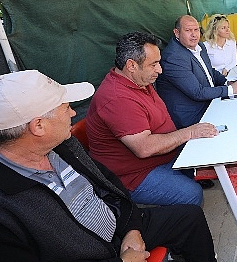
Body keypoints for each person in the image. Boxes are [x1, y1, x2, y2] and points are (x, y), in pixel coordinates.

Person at [0, 70, 237, 262]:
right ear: (38, 126)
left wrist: (132, 228)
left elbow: (110, 187)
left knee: (189, 217)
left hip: (118, 229)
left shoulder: (62, 146)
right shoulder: (4, 205)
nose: (73, 113)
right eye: (66, 108)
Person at [87, 32, 219, 207]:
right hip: (134, 175)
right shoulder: (117, 98)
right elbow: (144, 148)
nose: (160, 70)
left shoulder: (138, 81)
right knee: (192, 194)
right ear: (131, 65)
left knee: (206, 158)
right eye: (154, 64)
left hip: (161, 158)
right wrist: (190, 132)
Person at [156, 15, 237, 129]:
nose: (194, 34)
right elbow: (197, 92)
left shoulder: (200, 46)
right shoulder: (174, 57)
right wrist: (231, 89)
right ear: (177, 33)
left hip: (208, 101)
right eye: (188, 30)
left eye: (196, 29)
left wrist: (227, 82)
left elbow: (209, 71)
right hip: (191, 116)